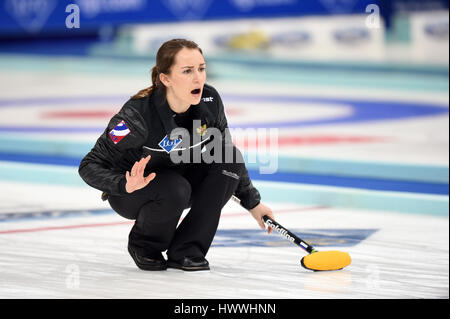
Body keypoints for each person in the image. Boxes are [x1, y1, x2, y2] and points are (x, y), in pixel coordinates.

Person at [78, 38, 275, 272]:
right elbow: (89, 165)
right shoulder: (136, 117)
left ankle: (187, 249)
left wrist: (253, 203)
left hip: (181, 180)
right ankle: (144, 245)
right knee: (174, 187)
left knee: (228, 158)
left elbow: (223, 151)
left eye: (201, 69)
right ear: (166, 78)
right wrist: (124, 184)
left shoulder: (210, 102)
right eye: (187, 71)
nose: (198, 78)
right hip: (133, 191)